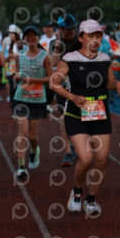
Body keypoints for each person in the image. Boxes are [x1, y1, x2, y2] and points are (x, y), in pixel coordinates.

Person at [51, 19, 120, 214]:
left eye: (98, 36)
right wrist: (72, 97)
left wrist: (118, 85)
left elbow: (109, 83)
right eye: (91, 35)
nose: (95, 39)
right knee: (86, 159)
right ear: (81, 37)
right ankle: (77, 191)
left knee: (101, 161)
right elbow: (54, 83)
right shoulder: (69, 58)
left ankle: (91, 199)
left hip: (100, 114)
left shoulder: (104, 58)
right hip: (76, 114)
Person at [13, 26, 53, 182]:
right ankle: (21, 167)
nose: (31, 39)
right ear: (24, 39)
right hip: (21, 97)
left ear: (38, 38)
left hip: (37, 99)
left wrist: (31, 80)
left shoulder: (45, 57)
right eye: (27, 36)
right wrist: (17, 76)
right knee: (22, 133)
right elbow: (17, 73)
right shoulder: (20, 55)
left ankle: (34, 151)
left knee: (32, 136)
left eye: (33, 36)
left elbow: (50, 79)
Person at [49, 14, 80, 166]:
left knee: (82, 118)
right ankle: (68, 152)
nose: (71, 31)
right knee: (64, 118)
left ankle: (76, 144)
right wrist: (58, 42)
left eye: (72, 28)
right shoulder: (55, 43)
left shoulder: (81, 39)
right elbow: (54, 62)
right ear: (61, 30)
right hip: (63, 86)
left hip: (81, 85)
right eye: (67, 29)